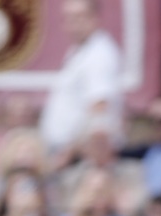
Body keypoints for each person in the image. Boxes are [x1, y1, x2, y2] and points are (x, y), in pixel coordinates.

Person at [40, 0, 124, 163]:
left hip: (79, 157)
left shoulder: (100, 54)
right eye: (69, 18)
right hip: (65, 151)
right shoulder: (80, 51)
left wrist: (70, 154)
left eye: (80, 17)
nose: (74, 24)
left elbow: (99, 108)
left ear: (95, 18)